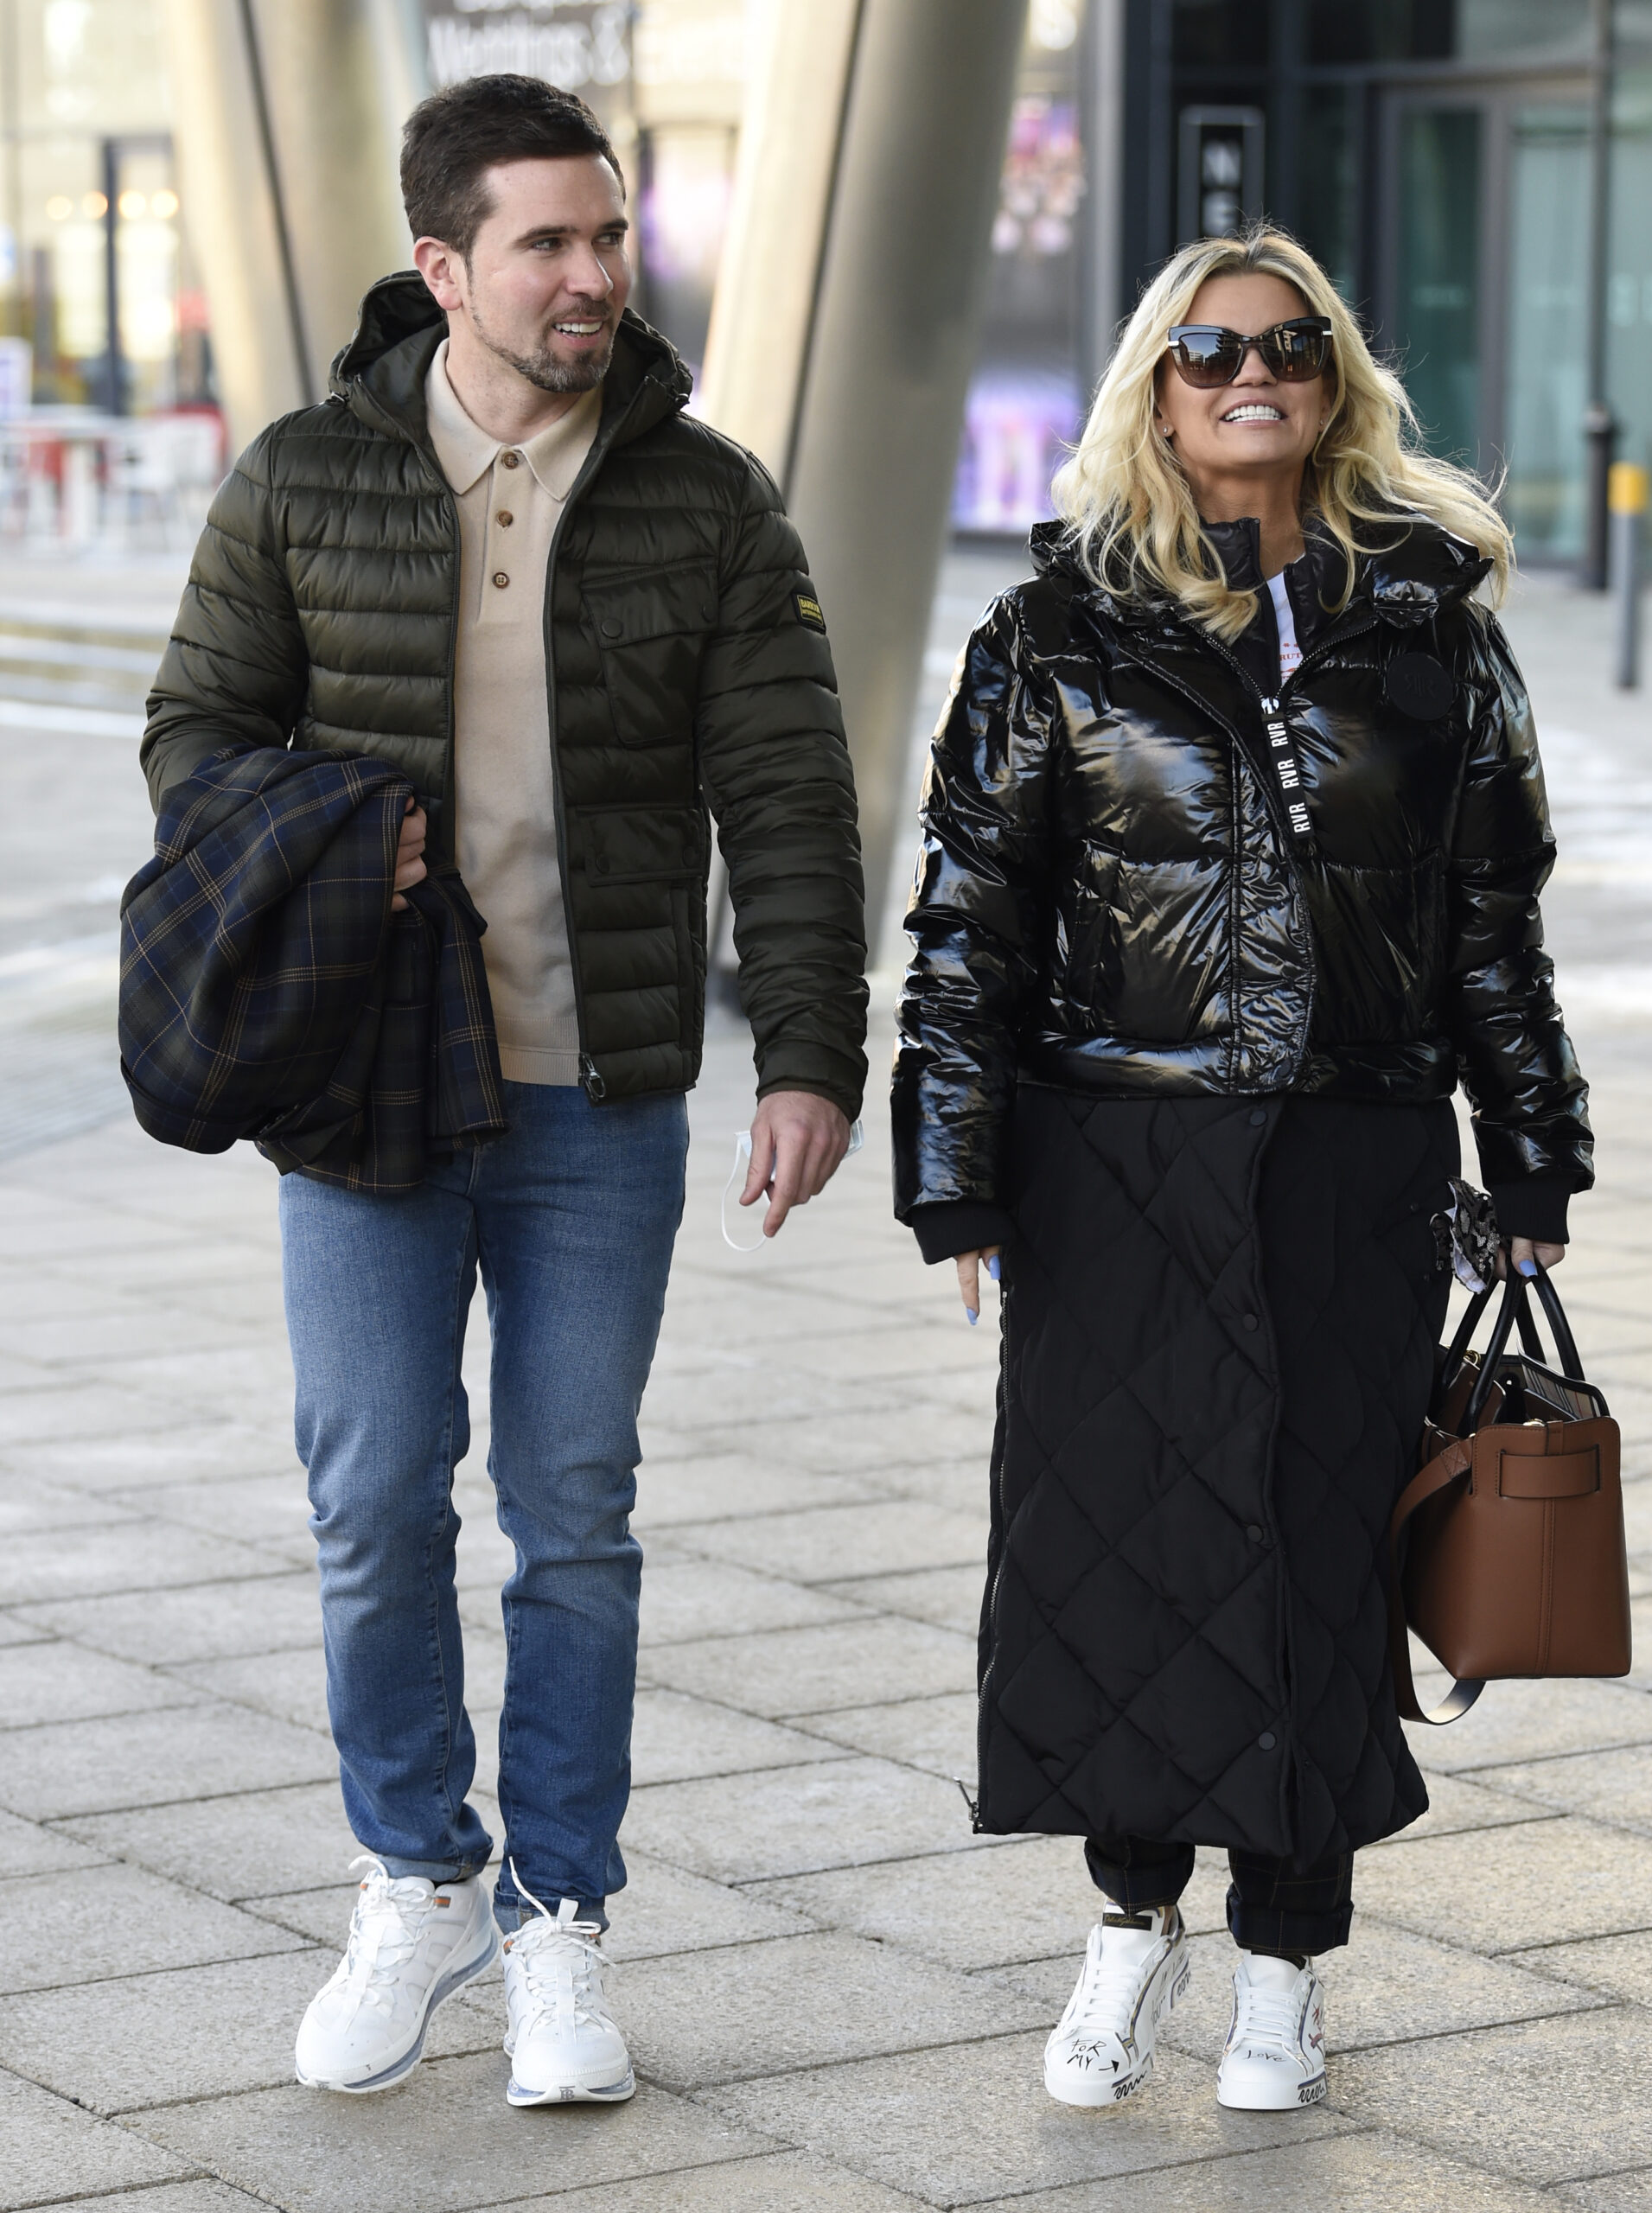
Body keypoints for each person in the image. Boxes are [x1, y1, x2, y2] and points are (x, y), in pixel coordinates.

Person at [141, 74, 867, 2106]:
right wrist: (309, 830)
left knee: (574, 1519)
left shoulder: (703, 497)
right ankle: (416, 1869)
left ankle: (560, 1914)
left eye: (608, 234)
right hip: (367, 1094)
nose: (589, 276)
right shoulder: (304, 477)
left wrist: (809, 1045)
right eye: (544, 242)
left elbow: (791, 797)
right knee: (373, 1500)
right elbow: (195, 728)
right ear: (443, 264)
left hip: (597, 1096)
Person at [892, 223, 1591, 2114]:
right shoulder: (1048, 630)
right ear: (1155, 383)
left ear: (1334, 374)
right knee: (1111, 1563)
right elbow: (967, 916)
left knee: (1310, 1562)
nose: (1245, 372)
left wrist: (1529, 1149)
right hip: (1108, 1160)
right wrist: (950, 1173)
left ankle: (1285, 1956)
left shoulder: (1428, 626)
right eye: (1205, 349)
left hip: (1350, 1163)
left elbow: (1487, 927)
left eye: (1282, 342)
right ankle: (1130, 1916)